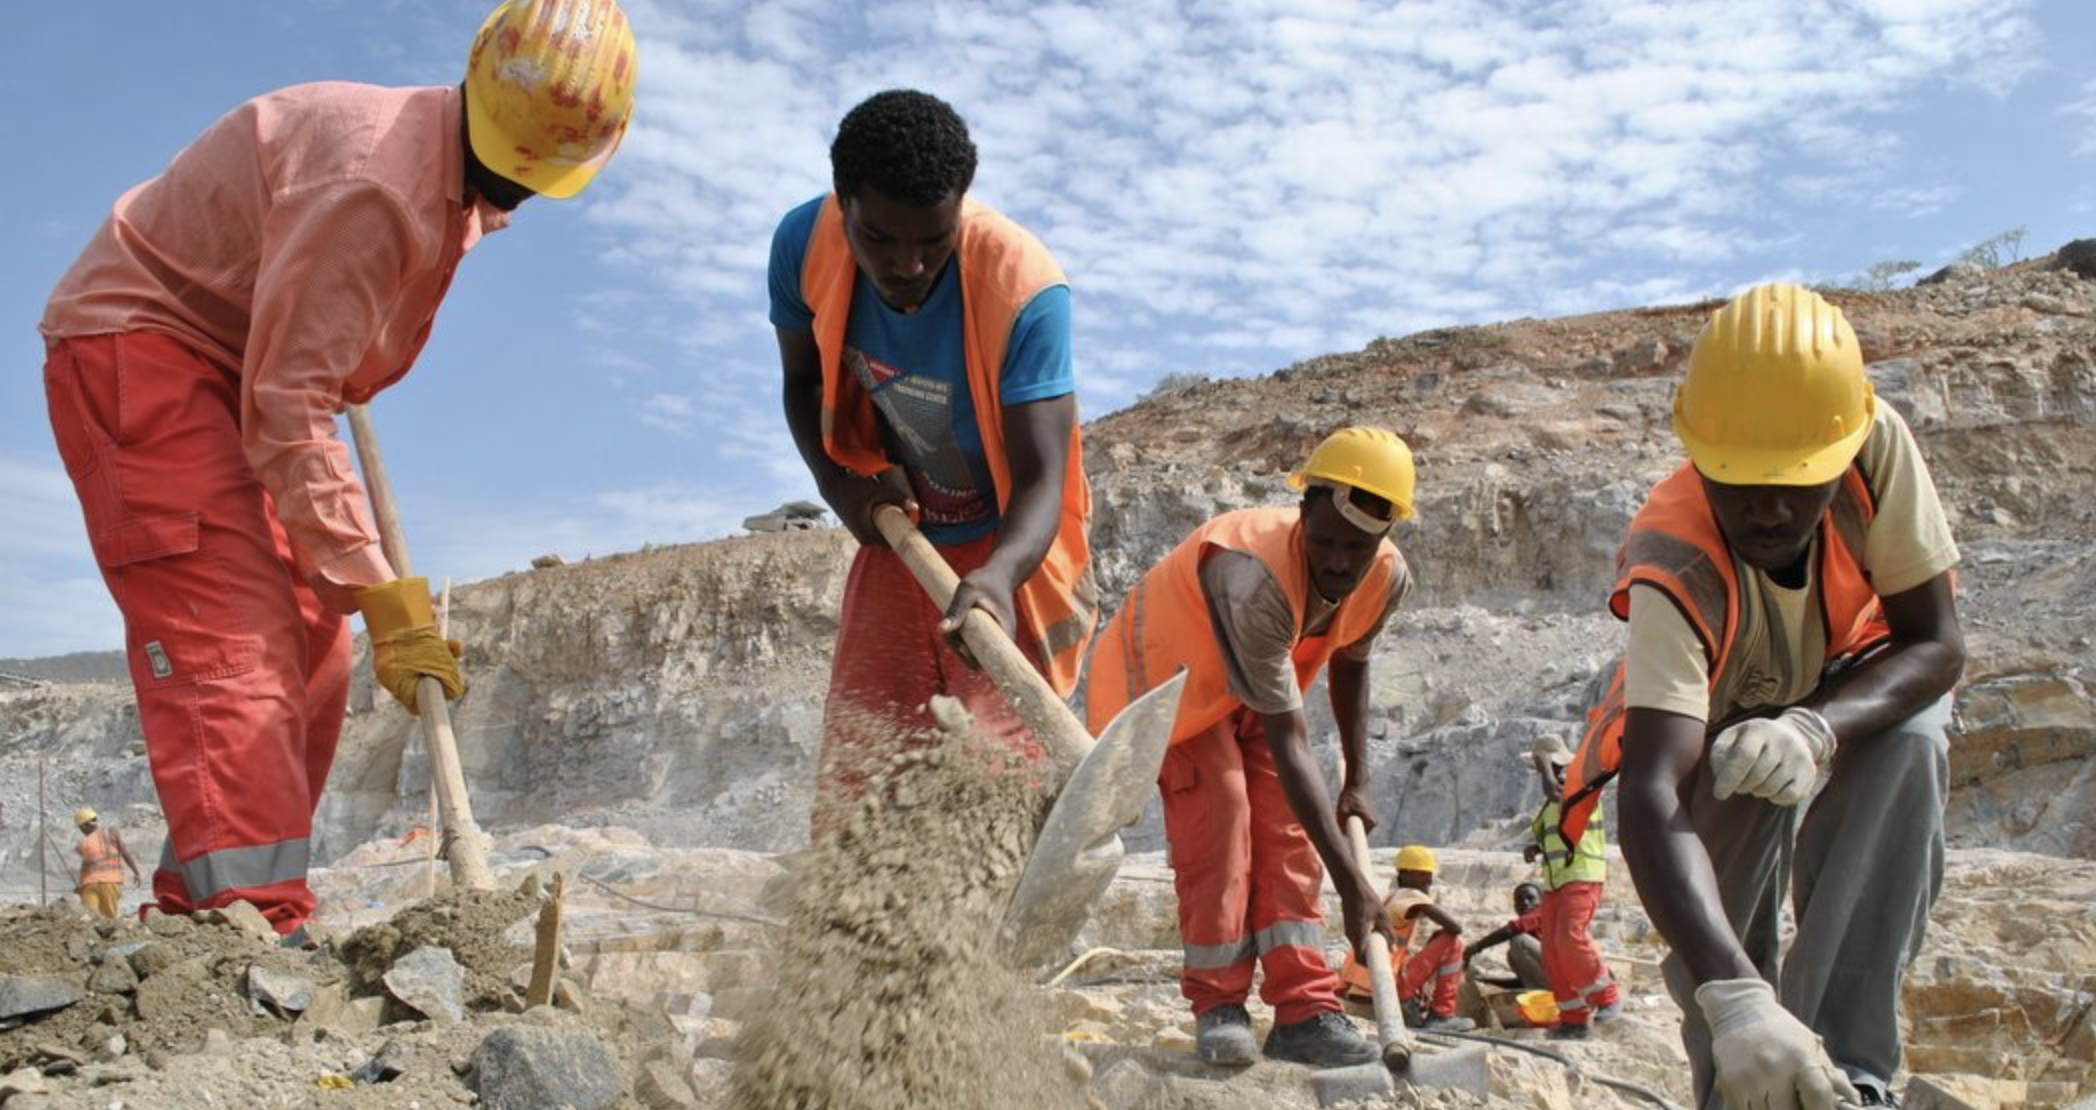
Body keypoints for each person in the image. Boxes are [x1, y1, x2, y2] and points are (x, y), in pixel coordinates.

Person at [39, 0, 637, 936]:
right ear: (474, 88)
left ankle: (210, 910)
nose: (507, 193)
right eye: (501, 167)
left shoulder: (451, 181)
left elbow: (303, 375)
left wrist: (355, 592)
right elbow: (289, 401)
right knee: (229, 636)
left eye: (530, 178)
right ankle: (251, 923)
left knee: (317, 638)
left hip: (237, 368)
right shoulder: (377, 185)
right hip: (146, 353)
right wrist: (384, 588)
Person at [1560, 283, 1964, 1109]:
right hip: (1722, 718)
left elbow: (1937, 643)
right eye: (1742, 481)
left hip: (1860, 685)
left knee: (1911, 747)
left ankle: (1847, 1075)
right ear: (1700, 451)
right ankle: (1746, 1083)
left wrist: (1817, 728)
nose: (1772, 508)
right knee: (1722, 916)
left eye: (1800, 482)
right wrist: (1737, 999)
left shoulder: (1873, 447)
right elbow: (1651, 791)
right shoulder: (1673, 560)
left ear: (1840, 451)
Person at [771, 89, 1094, 825]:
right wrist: (838, 486)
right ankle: (852, 924)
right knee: (865, 764)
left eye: (934, 241)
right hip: (899, 526)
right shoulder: (801, 246)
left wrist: (999, 578)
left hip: (1009, 541)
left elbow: (1044, 475)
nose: (908, 265)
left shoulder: (1025, 288)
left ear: (961, 210)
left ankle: (987, 929)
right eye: (880, 238)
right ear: (843, 203)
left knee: (996, 771)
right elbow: (801, 381)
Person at [1085, 427, 1418, 1069]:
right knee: (1225, 814)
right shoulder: (1252, 573)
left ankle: (1303, 1012)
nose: (1339, 563)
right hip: (1170, 688)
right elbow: (1290, 740)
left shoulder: (1387, 578)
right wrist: (1356, 887)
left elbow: (1352, 659)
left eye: (1358, 547)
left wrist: (1359, 780)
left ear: (1386, 536)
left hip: (1247, 694)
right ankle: (1219, 1006)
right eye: (1324, 541)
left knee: (1290, 832)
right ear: (1302, 511)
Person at [1523, 733, 1620, 1040]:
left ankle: (1607, 997)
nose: (1537, 770)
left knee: (1570, 937)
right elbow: (1557, 826)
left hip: (1581, 872)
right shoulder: (1552, 796)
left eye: (1538, 763)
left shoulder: (1576, 781)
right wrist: (1535, 847)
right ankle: (1573, 1017)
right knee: (1551, 950)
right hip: (1557, 879)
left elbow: (1556, 792)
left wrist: (1548, 766)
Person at [1337, 845, 1476, 1033]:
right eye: (1422, 873)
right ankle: (1442, 1014)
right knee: (1454, 942)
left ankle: (1428, 1007)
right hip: (1382, 985)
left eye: (1429, 873)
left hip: (1363, 985)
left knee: (1439, 943)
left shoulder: (1388, 897)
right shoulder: (1409, 895)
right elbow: (1455, 928)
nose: (1429, 880)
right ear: (1405, 874)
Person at [1462, 880, 1548, 992]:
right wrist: (1487, 980)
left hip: (1563, 976)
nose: (1525, 903)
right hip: (1554, 980)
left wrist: (1475, 948)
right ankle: (1542, 995)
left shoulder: (1543, 912)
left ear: (1541, 901)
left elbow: (1510, 930)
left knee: (1519, 940)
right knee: (1511, 955)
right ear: (1515, 906)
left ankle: (1543, 995)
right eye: (1519, 899)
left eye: (1531, 898)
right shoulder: (1530, 941)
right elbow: (1525, 982)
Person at [73, 807, 143, 919]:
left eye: (80, 828)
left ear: (84, 825)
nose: (81, 831)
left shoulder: (82, 844)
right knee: (109, 920)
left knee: (88, 919)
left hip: (89, 885)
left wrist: (80, 884)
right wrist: (136, 872)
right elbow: (125, 853)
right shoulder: (112, 833)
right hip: (110, 883)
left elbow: (85, 866)